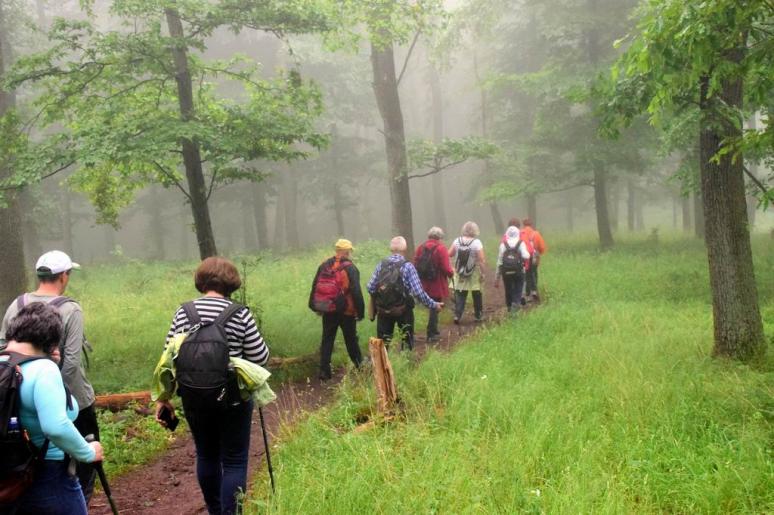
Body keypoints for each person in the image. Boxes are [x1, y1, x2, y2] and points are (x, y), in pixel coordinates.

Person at [155, 257, 269, 515]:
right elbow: (260, 357)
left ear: (201, 281)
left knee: (206, 454)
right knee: (234, 460)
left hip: (194, 396)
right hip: (234, 398)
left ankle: (214, 511)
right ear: (231, 282)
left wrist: (164, 398)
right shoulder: (239, 313)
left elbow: (168, 357)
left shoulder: (184, 312)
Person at [0, 250, 99, 502]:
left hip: (15, 399)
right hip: (72, 400)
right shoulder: (71, 309)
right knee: (79, 467)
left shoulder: (17, 304)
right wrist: (57, 395)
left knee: (24, 460)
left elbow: (4, 348)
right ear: (64, 276)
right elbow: (72, 362)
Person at [367, 236, 443, 351]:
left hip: (383, 310)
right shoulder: (407, 266)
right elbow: (418, 292)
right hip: (403, 310)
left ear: (391, 249)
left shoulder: (381, 265)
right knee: (407, 341)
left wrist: (381, 298)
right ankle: (407, 365)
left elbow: (370, 287)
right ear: (405, 249)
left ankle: (381, 367)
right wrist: (433, 304)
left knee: (382, 344)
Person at [308, 239, 365, 380]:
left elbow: (315, 286)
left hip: (329, 309)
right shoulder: (350, 268)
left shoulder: (324, 265)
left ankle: (324, 372)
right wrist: (361, 312)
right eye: (350, 251)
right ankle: (360, 367)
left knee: (327, 339)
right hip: (346, 310)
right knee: (351, 339)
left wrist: (314, 306)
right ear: (347, 251)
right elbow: (356, 291)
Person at [413, 227, 454, 342]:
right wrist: (451, 273)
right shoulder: (441, 249)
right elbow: (446, 268)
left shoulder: (420, 247)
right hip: (437, 282)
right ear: (440, 237)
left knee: (429, 305)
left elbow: (415, 263)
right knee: (435, 307)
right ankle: (432, 333)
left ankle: (428, 331)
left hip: (423, 282)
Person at [449, 222, 487, 323]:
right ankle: (478, 315)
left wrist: (452, 267)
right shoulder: (477, 242)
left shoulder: (457, 241)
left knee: (460, 293)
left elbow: (449, 254)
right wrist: (483, 273)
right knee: (477, 293)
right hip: (473, 271)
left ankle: (457, 315)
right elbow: (481, 259)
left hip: (459, 271)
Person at [494, 226, 531, 312]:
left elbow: (499, 262)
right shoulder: (520, 243)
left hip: (506, 271)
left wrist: (497, 279)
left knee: (508, 288)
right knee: (518, 287)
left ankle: (509, 306)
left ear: (507, 234)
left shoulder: (503, 245)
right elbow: (526, 255)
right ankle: (516, 302)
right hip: (518, 271)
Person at [521, 218, 547, 302]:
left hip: (524, 258)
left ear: (523, 225)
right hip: (534, 257)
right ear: (531, 224)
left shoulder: (520, 233)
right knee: (533, 273)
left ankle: (526, 293)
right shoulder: (536, 234)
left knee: (525, 274)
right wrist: (539, 253)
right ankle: (534, 291)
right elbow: (542, 248)